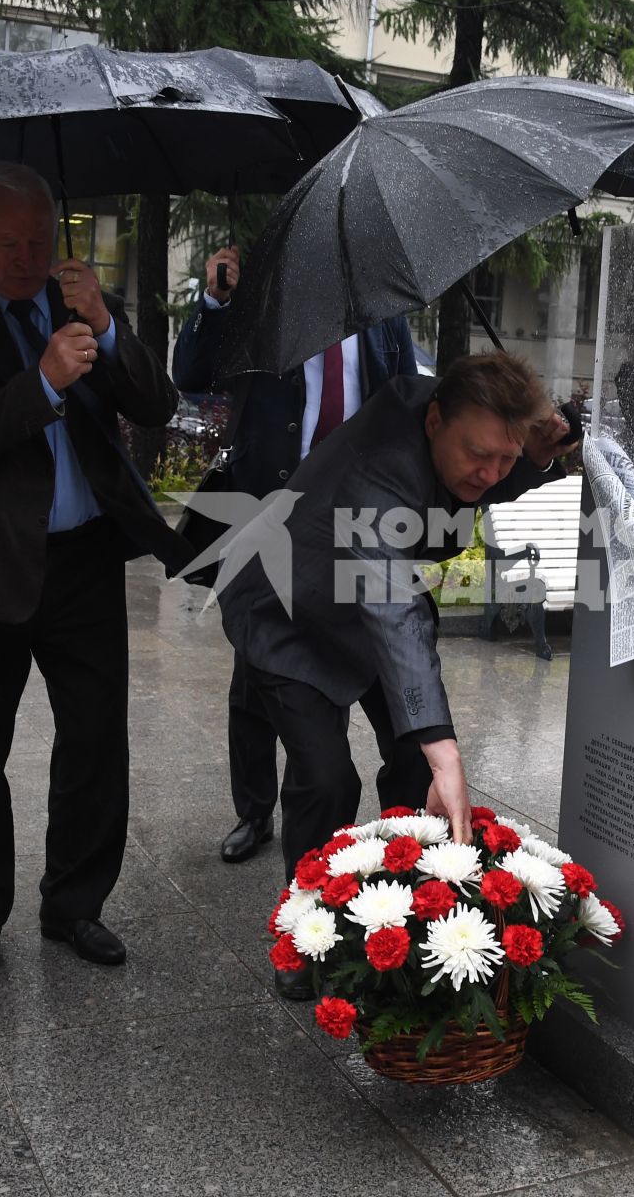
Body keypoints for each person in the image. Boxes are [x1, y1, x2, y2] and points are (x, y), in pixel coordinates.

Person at [0, 162, 188, 982]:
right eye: (7, 243)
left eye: (39, 241)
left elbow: (156, 404)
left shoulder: (82, 305)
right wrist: (44, 379)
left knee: (95, 741)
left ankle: (75, 904)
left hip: (82, 560)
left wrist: (108, 329)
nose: (25, 258)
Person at [217, 351, 575, 997]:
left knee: (415, 766)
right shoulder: (380, 462)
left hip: (371, 608)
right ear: (434, 419)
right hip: (289, 611)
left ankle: (402, 902)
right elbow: (391, 601)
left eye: (505, 457)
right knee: (326, 780)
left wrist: (536, 458)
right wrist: (447, 748)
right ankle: (305, 931)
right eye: (480, 454)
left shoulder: (461, 428)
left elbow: (474, 481)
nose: (491, 474)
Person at [170, 244, 418, 864]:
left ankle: (387, 827)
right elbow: (191, 374)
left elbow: (406, 401)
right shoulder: (261, 308)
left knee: (364, 672)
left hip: (356, 522)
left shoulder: (384, 317)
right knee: (255, 677)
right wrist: (216, 303)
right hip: (267, 520)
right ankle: (254, 811)